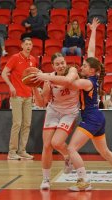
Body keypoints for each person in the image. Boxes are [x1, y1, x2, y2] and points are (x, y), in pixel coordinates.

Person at [36, 18, 112, 191]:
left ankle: (83, 182)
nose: (82, 66)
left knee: (72, 148)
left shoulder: (87, 82)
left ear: (92, 71)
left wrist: (46, 76)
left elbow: (67, 83)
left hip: (91, 118)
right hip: (98, 118)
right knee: (104, 152)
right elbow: (91, 50)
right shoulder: (92, 76)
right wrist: (94, 31)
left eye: (85, 66)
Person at [33, 53, 80, 190]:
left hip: (70, 112)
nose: (61, 66)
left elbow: (67, 81)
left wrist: (46, 77)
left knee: (57, 142)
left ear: (66, 63)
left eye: (62, 63)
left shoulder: (72, 71)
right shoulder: (48, 80)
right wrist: (34, 87)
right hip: (53, 111)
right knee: (47, 145)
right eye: (57, 64)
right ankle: (46, 179)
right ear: (53, 66)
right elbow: (41, 103)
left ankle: (66, 155)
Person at [1, 37, 38, 160]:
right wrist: (11, 86)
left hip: (28, 96)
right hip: (17, 96)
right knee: (17, 123)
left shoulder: (33, 60)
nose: (28, 46)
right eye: (26, 44)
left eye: (30, 44)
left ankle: (22, 151)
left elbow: (33, 79)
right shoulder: (15, 58)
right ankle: (12, 152)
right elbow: (3, 73)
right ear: (22, 45)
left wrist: (33, 93)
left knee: (27, 124)